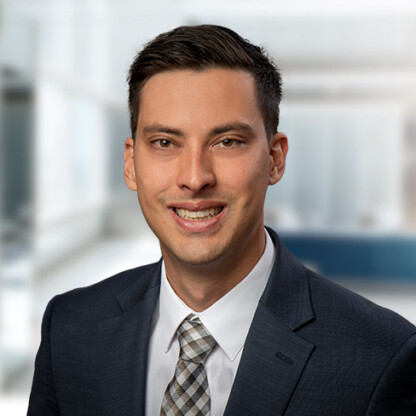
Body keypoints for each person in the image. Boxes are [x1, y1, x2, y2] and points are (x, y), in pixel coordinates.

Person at [28, 24, 416, 416]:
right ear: (131, 164)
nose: (195, 178)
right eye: (165, 143)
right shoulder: (69, 328)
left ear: (275, 159)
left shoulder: (381, 357)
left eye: (227, 141)